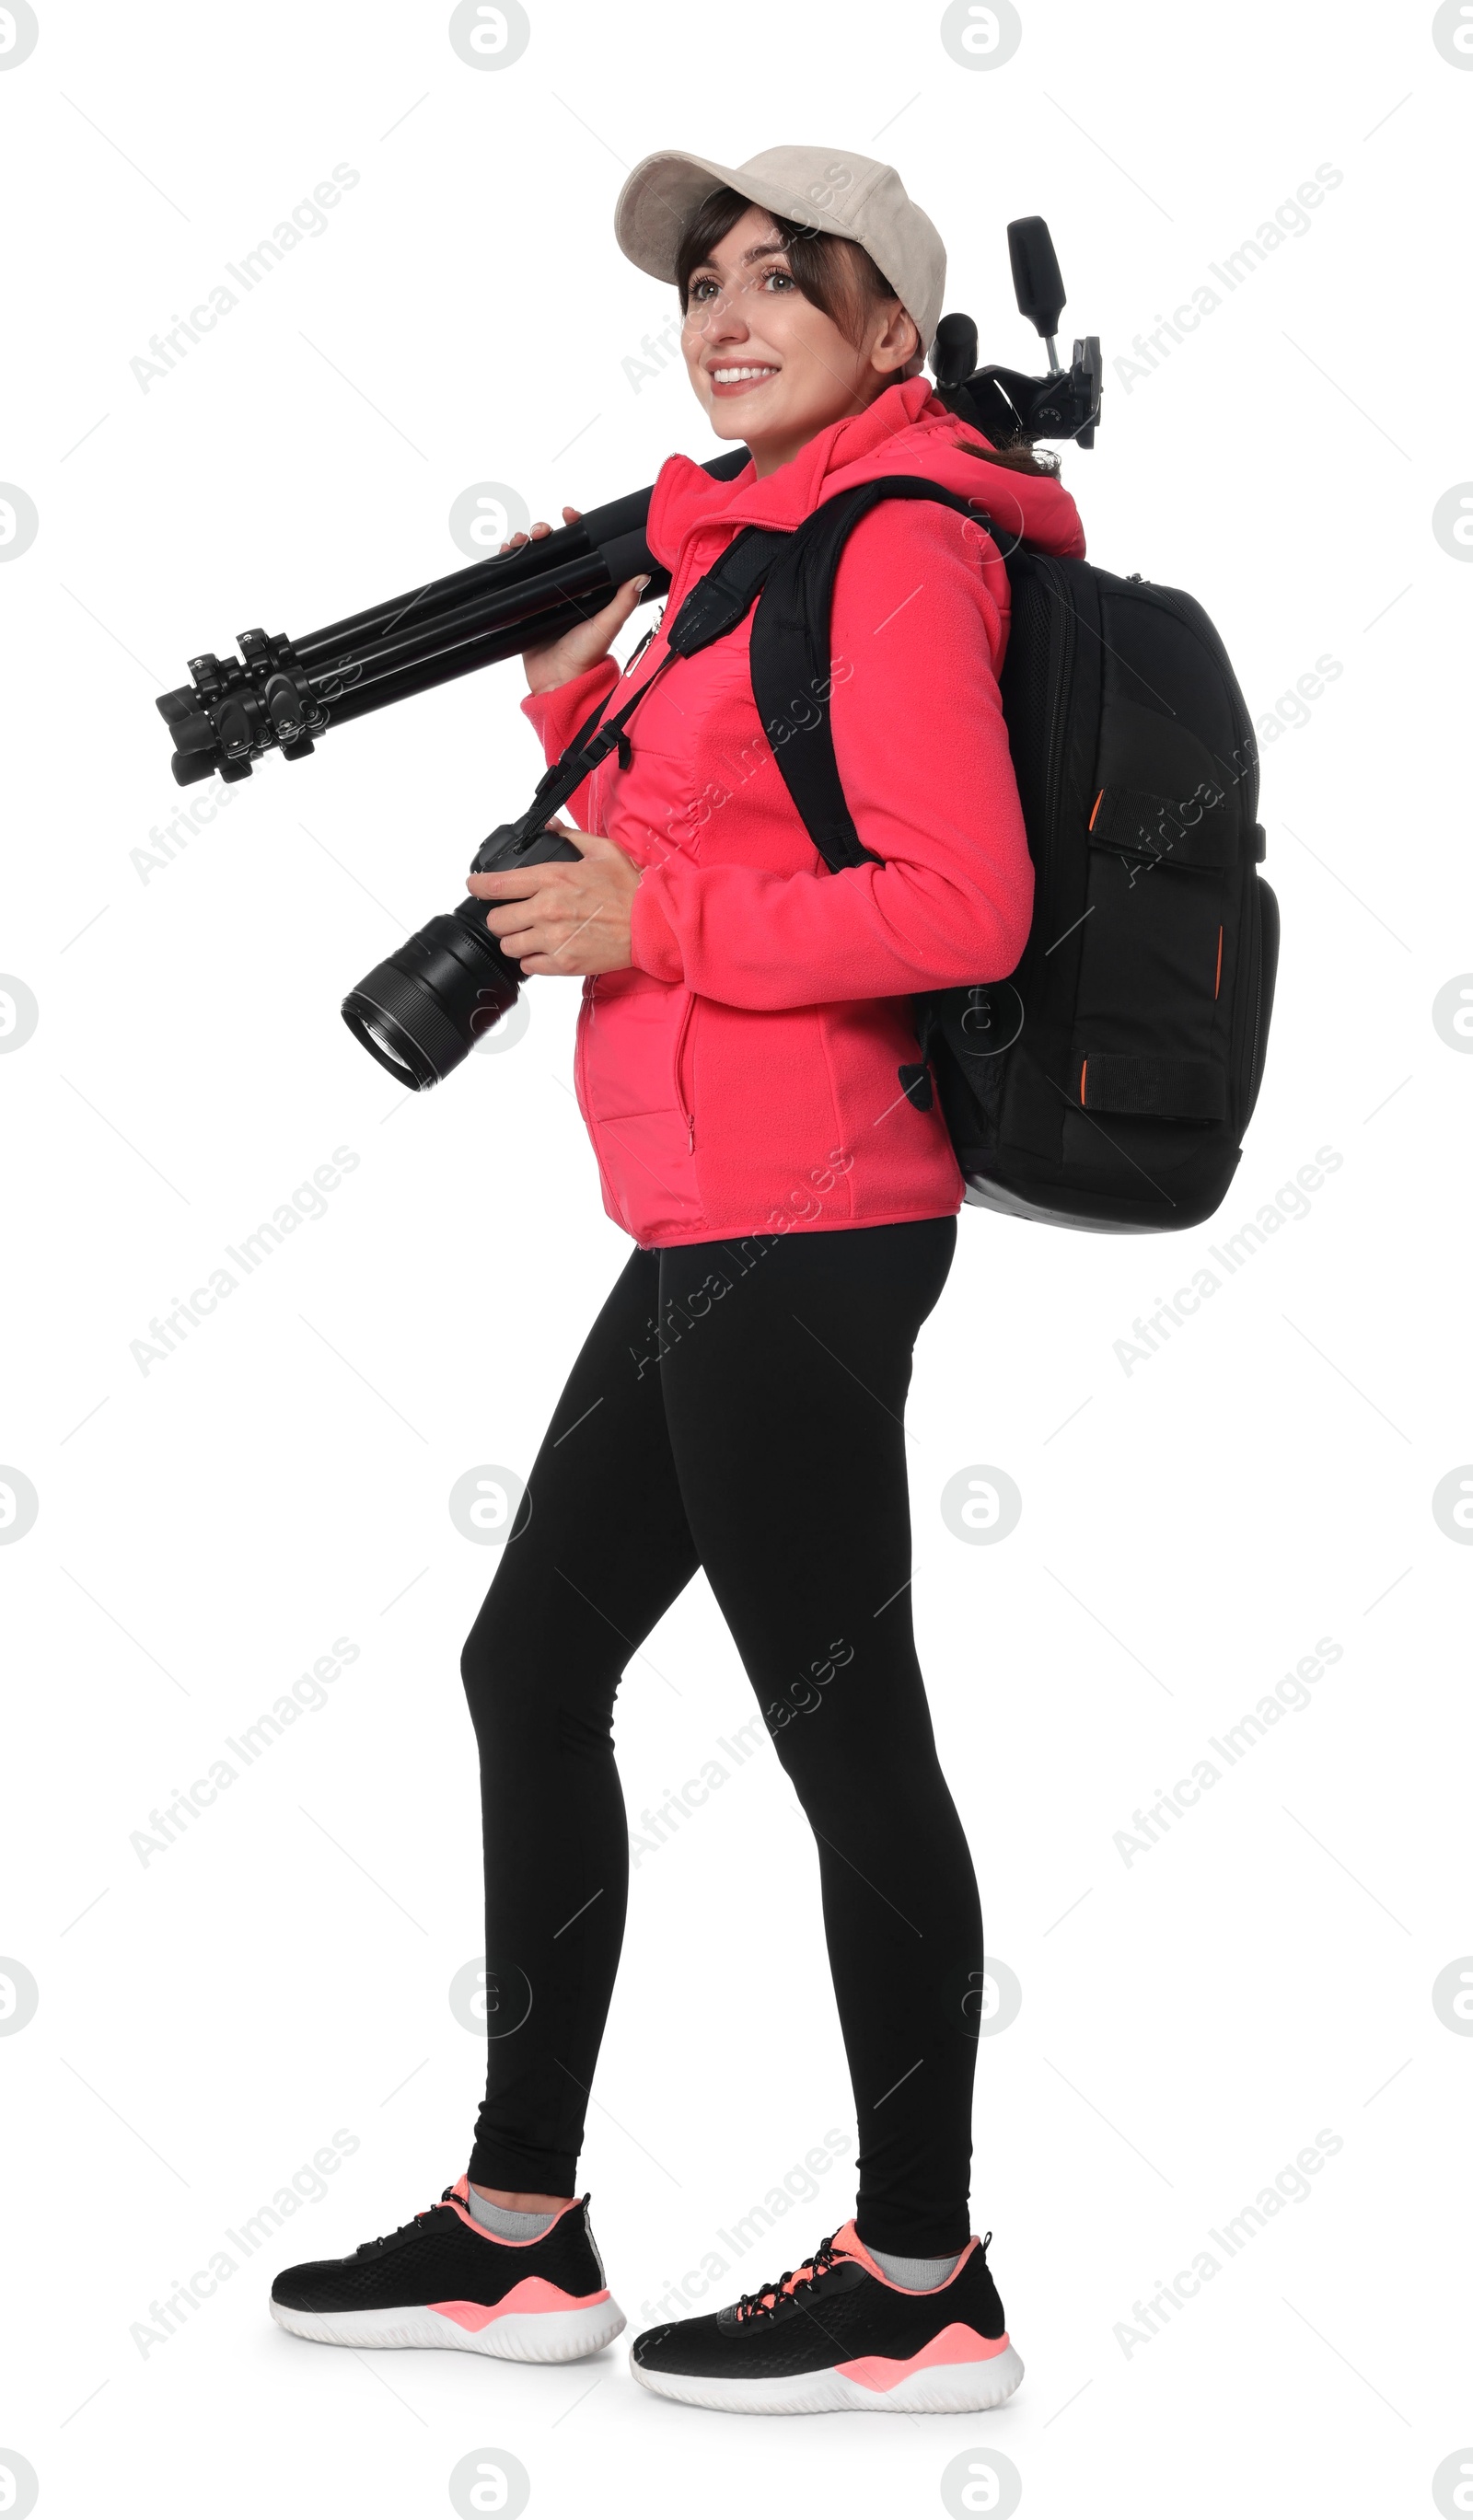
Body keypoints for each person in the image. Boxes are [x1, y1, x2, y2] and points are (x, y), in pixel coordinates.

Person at [272, 143, 1084, 2416]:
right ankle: (518, 2226)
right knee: (529, 1663)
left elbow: (960, 905)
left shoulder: (903, 543)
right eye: (703, 281)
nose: (724, 312)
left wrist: (657, 931)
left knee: (849, 1742)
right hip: (709, 1214)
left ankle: (920, 2275)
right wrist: (567, 723)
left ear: (887, 333)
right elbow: (732, 824)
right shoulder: (746, 561)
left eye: (780, 282)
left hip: (812, 1213)